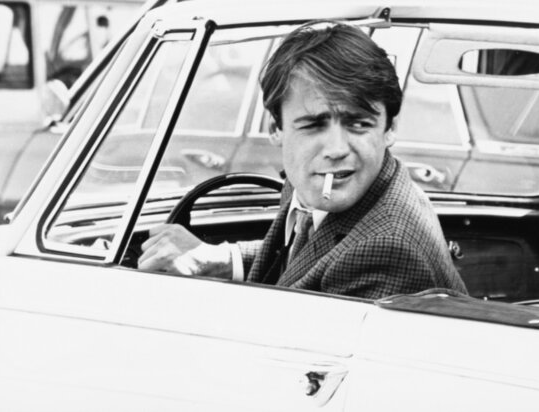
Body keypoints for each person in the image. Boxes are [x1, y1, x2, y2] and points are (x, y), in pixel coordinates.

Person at [138, 21, 467, 299]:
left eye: (358, 124)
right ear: (276, 129)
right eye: (313, 125)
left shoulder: (386, 250)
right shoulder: (318, 184)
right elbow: (308, 256)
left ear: (389, 128)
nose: (336, 149)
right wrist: (221, 259)